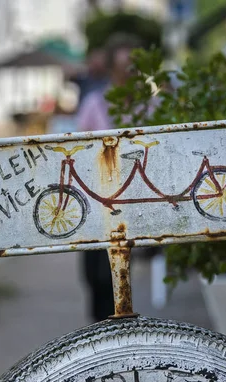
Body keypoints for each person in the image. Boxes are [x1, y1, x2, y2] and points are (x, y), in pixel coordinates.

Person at [76, 33, 148, 323]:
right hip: (98, 202)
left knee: (122, 280)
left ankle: (117, 337)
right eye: (122, 68)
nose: (127, 75)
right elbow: (79, 146)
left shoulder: (150, 105)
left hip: (134, 202)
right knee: (96, 276)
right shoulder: (95, 104)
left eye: (133, 68)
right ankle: (99, 332)